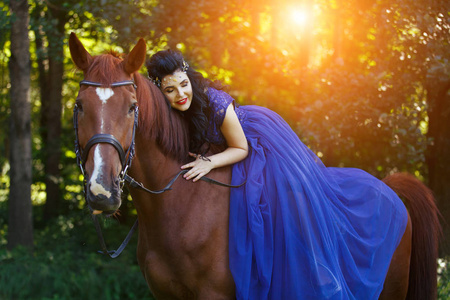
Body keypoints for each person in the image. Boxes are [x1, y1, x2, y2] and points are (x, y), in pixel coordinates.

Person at [146, 50, 408, 300]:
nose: (180, 94)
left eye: (183, 84)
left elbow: (240, 148)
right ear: (161, 92)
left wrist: (208, 163)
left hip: (257, 145)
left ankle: (319, 268)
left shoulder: (214, 102)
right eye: (170, 90)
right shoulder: (170, 111)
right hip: (221, 149)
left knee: (282, 199)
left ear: (189, 77)